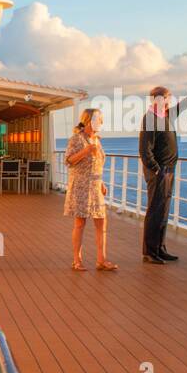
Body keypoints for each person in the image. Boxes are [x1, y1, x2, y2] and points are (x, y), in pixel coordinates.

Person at [140, 84, 187, 263]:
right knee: (155, 211)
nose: (170, 101)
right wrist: (156, 169)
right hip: (159, 172)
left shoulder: (166, 115)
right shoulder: (150, 119)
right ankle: (149, 252)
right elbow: (145, 150)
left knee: (164, 211)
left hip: (168, 171)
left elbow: (180, 108)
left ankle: (160, 248)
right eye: (168, 98)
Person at [64, 108, 117, 272]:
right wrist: (85, 151)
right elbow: (68, 161)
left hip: (95, 187)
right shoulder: (77, 139)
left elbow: (98, 163)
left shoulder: (97, 139)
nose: (100, 122)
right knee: (80, 223)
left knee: (101, 223)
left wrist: (101, 182)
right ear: (88, 120)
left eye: (101, 119)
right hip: (80, 186)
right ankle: (76, 260)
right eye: (98, 119)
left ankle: (101, 260)